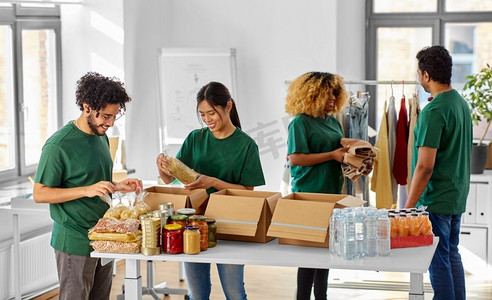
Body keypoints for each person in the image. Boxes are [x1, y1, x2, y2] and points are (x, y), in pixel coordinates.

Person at [33, 72, 143, 300]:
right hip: (75, 239)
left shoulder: (100, 136)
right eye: (105, 116)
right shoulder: (59, 145)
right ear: (86, 107)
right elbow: (39, 193)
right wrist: (87, 190)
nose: (110, 123)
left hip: (104, 236)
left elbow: (90, 179)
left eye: (114, 117)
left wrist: (117, 186)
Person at [156, 81, 265, 300]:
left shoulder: (246, 145)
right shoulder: (195, 138)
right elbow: (170, 179)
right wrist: (162, 166)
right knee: (198, 294)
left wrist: (213, 182)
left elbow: (247, 191)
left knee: (234, 293)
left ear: (228, 107)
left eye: (212, 113)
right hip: (193, 225)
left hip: (230, 226)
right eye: (202, 114)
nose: (207, 120)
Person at [404, 45, 472, 300]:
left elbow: (425, 166)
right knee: (451, 253)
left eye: (419, 73)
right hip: (455, 196)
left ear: (426, 75)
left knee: (436, 258)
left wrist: (408, 206)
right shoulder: (460, 103)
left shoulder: (434, 111)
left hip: (436, 198)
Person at [285, 72, 348, 300]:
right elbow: (295, 158)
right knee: (309, 257)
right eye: (327, 92)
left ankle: (322, 297)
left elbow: (338, 157)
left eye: (335, 92)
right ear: (312, 94)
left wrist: (357, 162)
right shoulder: (300, 122)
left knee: (325, 255)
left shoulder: (331, 121)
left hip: (331, 194)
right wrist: (332, 155)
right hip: (309, 196)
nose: (332, 97)